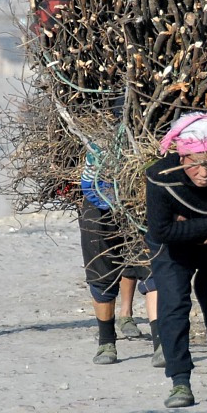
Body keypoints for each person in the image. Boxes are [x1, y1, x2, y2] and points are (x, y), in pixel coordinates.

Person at [145, 111, 207, 408]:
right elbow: (161, 230)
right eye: (196, 163)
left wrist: (187, 224)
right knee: (173, 305)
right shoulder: (160, 177)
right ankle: (180, 381)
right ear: (182, 156)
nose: (205, 172)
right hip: (174, 251)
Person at [79, 142, 159, 366]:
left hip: (143, 194)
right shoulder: (94, 117)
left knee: (153, 269)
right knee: (101, 272)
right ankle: (106, 341)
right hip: (97, 195)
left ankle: (161, 343)